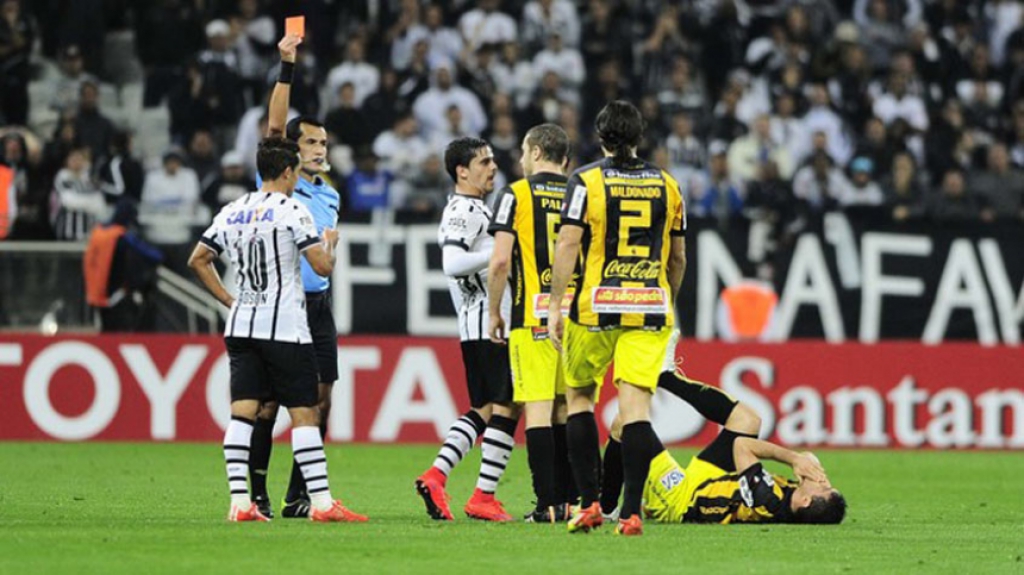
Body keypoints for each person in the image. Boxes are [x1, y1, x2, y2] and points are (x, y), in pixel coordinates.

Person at [187, 137, 365, 523]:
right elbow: (321, 267)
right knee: (305, 414)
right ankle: (320, 502)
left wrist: (230, 300)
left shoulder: (233, 209)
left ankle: (239, 502)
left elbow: (199, 259)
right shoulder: (293, 210)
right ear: (288, 172)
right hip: (284, 326)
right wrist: (330, 246)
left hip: (241, 325)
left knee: (242, 414)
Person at [547, 100, 687, 536]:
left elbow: (568, 243)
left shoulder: (585, 180)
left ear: (600, 136)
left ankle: (588, 504)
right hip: (649, 306)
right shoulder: (668, 184)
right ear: (639, 136)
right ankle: (629, 512)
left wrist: (555, 304)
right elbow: (678, 257)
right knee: (636, 412)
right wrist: (664, 297)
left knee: (581, 399)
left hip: (595, 307)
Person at [246, 34, 344, 520]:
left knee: (322, 400)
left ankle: (298, 495)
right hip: (282, 305)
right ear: (292, 148)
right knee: (266, 405)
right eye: (311, 142)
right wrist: (287, 67)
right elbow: (273, 123)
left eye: (324, 143)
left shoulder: (329, 195)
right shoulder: (277, 181)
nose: (319, 149)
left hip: (319, 305)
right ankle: (257, 491)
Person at [415, 136, 520, 523]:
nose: (492, 167)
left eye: (492, 160)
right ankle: (482, 496)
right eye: (483, 162)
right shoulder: (464, 209)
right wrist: (500, 253)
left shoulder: (475, 207)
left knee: (485, 410)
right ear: (462, 171)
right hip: (488, 324)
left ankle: (437, 474)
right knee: (507, 406)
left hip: (478, 324)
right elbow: (452, 262)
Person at [601, 364, 846, 526]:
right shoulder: (797, 495)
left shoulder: (767, 501)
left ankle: (607, 507)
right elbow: (809, 457)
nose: (825, 481)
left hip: (684, 500)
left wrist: (793, 459)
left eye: (825, 488)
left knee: (624, 422)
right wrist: (805, 463)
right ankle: (666, 376)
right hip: (713, 481)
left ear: (805, 502)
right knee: (748, 420)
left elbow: (742, 446)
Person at [487, 124, 575, 522]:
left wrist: (493, 310)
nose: (521, 159)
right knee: (568, 411)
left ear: (537, 152)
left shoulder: (516, 194)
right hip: (577, 319)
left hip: (533, 316)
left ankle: (546, 505)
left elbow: (501, 260)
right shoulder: (581, 193)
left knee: (537, 412)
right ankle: (573, 500)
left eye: (524, 151)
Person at [83, 200, 162, 332]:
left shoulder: (97, 233)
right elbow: (153, 255)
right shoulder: (120, 236)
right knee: (117, 330)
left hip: (94, 293)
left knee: (104, 330)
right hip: (115, 294)